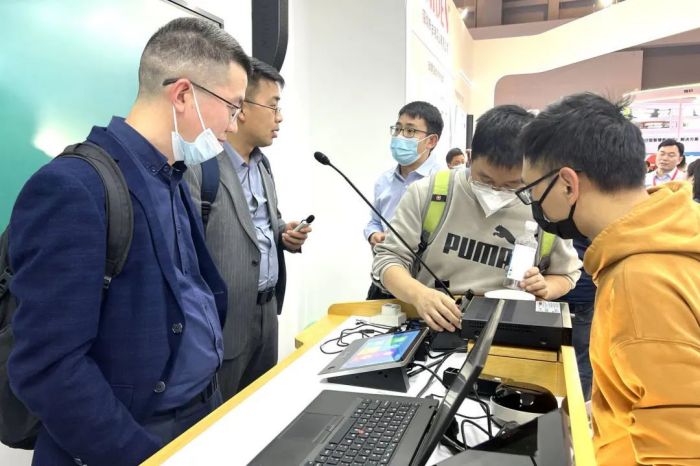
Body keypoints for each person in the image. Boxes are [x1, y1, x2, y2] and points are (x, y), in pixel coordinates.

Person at [7, 18, 250, 465]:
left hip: (195, 419)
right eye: (232, 107)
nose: (234, 126)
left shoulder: (172, 176)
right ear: (183, 95)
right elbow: (49, 368)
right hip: (130, 440)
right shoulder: (73, 188)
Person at [518, 92, 700, 466]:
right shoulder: (674, 233)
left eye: (532, 190)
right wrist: (600, 410)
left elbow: (680, 454)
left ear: (567, 184)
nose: (535, 203)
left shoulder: (641, 282)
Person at [372, 105, 581, 332]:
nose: (496, 191)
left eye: (512, 185)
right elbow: (388, 260)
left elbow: (566, 274)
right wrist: (419, 294)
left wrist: (546, 287)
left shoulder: (545, 206)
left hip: (511, 327)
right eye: (485, 179)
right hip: (434, 321)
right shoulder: (429, 192)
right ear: (470, 157)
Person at [185, 58, 310, 399]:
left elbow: (266, 223)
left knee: (260, 408)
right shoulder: (201, 168)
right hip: (222, 323)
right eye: (273, 106)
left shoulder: (262, 164)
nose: (279, 117)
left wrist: (285, 233)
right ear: (241, 107)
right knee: (219, 416)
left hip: (267, 313)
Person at [364, 101, 443, 299]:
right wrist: (373, 234)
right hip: (385, 281)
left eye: (410, 131)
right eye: (398, 129)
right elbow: (374, 221)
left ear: (431, 141)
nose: (400, 136)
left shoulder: (443, 182)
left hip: (425, 286)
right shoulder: (384, 181)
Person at [558, 238, 595, 400]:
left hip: (556, 289)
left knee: (546, 352)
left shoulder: (555, 223)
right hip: (582, 290)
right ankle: (577, 407)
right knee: (582, 358)